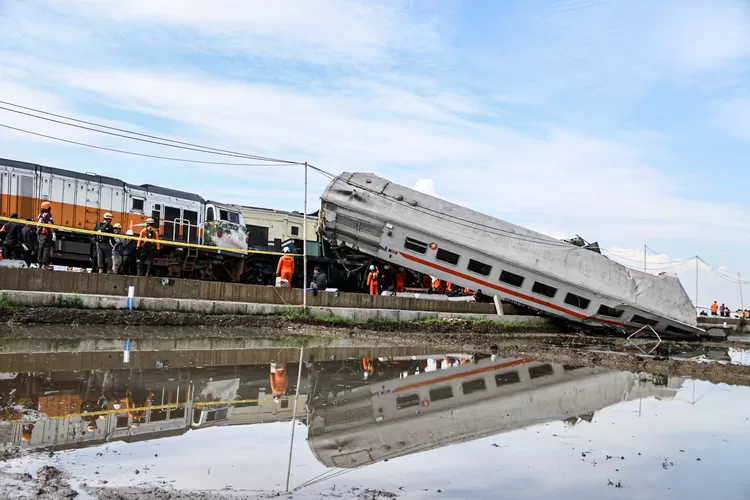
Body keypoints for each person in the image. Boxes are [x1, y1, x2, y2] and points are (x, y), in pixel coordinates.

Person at [36, 201, 55, 269]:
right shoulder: (48, 214)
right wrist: (53, 233)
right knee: (46, 248)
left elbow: (38, 225)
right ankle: (45, 264)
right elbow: (50, 224)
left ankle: (39, 263)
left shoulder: (40, 214)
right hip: (47, 233)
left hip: (41, 233)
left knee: (40, 248)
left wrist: (38, 233)